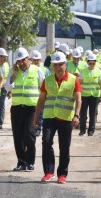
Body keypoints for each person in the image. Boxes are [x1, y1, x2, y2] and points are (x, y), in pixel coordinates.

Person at [34, 51, 82, 184]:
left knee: (64, 147)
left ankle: (62, 174)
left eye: (60, 64)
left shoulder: (73, 80)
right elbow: (41, 99)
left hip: (66, 118)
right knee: (46, 142)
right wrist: (36, 116)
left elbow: (78, 99)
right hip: (50, 117)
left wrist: (77, 115)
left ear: (65, 65)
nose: (58, 67)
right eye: (55, 65)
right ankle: (49, 172)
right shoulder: (47, 80)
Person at [8, 47, 45, 171]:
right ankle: (21, 162)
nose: (21, 63)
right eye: (19, 61)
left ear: (28, 59)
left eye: (23, 60)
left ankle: (30, 162)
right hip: (17, 108)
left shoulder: (37, 70)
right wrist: (13, 74)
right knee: (17, 137)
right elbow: (7, 87)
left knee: (29, 135)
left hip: (32, 108)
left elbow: (43, 87)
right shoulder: (14, 71)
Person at [79, 53, 101, 136]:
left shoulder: (98, 71)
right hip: (84, 95)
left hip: (95, 95)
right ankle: (82, 129)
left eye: (94, 63)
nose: (92, 65)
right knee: (83, 113)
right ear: (87, 62)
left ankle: (91, 130)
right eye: (90, 63)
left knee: (92, 114)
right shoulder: (83, 71)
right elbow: (79, 83)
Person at [30, 49, 51, 136]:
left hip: (42, 95)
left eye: (38, 60)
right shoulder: (29, 68)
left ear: (40, 60)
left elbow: (49, 81)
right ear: (31, 60)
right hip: (31, 96)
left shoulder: (45, 70)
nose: (36, 61)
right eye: (34, 60)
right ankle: (32, 128)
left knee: (40, 113)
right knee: (32, 113)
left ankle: (38, 128)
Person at [0, 47, 9, 129]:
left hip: (3, 88)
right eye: (4, 56)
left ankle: (0, 122)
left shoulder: (6, 65)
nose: (5, 58)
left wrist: (9, 90)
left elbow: (8, 78)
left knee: (1, 105)